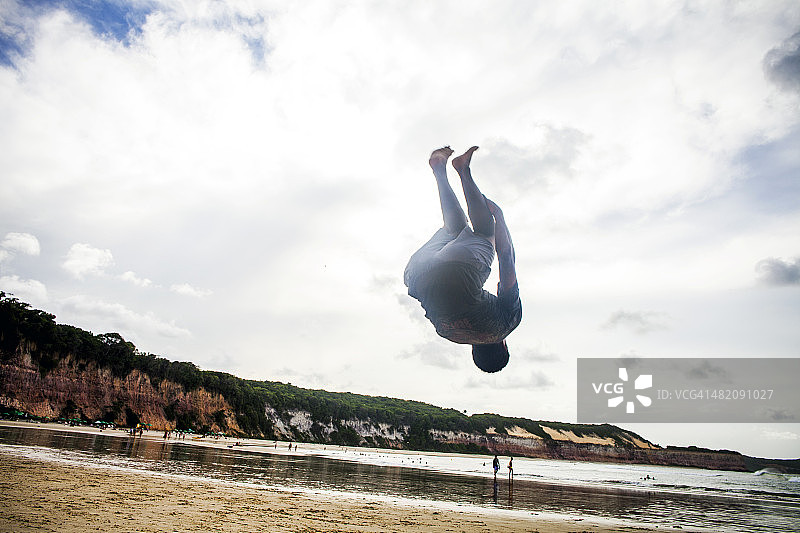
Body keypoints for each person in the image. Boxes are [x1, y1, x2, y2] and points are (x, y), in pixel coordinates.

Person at [404, 146, 522, 372]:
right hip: (415, 273)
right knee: (455, 228)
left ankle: (463, 170)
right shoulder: (450, 335)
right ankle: (439, 167)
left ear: (504, 346)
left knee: (485, 232)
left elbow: (506, 260)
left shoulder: (507, 325)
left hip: (460, 268)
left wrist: (499, 218)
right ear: (472, 349)